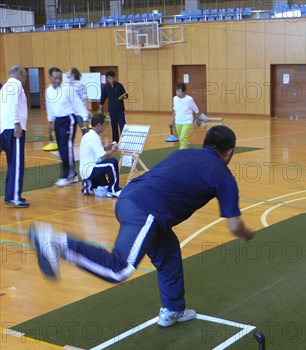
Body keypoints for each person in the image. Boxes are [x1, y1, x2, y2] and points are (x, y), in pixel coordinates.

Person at [29, 125, 255, 327]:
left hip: (130, 199)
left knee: (168, 253)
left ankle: (174, 309)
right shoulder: (222, 175)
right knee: (119, 268)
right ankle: (58, 243)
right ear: (229, 153)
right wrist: (247, 234)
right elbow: (234, 226)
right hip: (146, 211)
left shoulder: (185, 153)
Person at [45, 67, 89, 187]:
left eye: (60, 78)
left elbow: (78, 104)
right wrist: (50, 122)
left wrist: (85, 118)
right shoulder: (48, 91)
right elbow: (50, 107)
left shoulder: (68, 89)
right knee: (62, 149)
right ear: (50, 78)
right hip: (58, 121)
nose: (58, 80)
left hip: (69, 120)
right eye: (55, 78)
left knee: (66, 148)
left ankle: (67, 176)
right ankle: (73, 175)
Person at [1, 65, 29, 207]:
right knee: (16, 163)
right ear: (19, 73)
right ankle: (14, 197)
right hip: (14, 130)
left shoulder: (5, 86)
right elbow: (13, 105)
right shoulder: (16, 84)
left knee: (12, 163)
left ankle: (10, 195)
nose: (25, 79)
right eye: (24, 75)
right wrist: (16, 123)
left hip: (4, 129)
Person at [79, 114, 121, 198]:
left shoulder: (88, 135)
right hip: (90, 169)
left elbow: (96, 151)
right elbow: (103, 157)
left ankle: (90, 185)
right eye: (105, 124)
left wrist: (107, 147)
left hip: (86, 169)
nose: (106, 126)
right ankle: (113, 190)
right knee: (112, 163)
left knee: (103, 186)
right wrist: (113, 150)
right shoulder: (94, 137)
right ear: (99, 125)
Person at [99, 70, 128, 143]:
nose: (111, 80)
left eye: (112, 78)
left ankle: (124, 141)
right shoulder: (106, 88)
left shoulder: (119, 85)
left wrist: (123, 97)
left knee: (123, 126)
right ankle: (115, 142)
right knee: (114, 127)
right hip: (112, 110)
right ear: (107, 79)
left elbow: (126, 95)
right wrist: (100, 109)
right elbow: (103, 99)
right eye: (109, 78)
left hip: (120, 110)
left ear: (114, 78)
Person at [171, 82, 201, 150]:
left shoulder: (189, 99)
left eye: (180, 91)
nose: (178, 93)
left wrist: (198, 119)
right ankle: (184, 150)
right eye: (177, 91)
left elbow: (196, 110)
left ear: (184, 91)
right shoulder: (175, 98)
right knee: (181, 138)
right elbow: (175, 110)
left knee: (183, 137)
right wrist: (172, 121)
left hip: (187, 121)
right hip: (178, 121)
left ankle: (182, 152)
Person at [68, 67, 90, 135]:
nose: (67, 72)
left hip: (79, 113)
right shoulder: (66, 85)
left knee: (85, 132)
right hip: (70, 113)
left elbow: (84, 99)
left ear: (72, 74)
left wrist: (85, 113)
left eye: (69, 71)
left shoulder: (80, 85)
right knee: (69, 133)